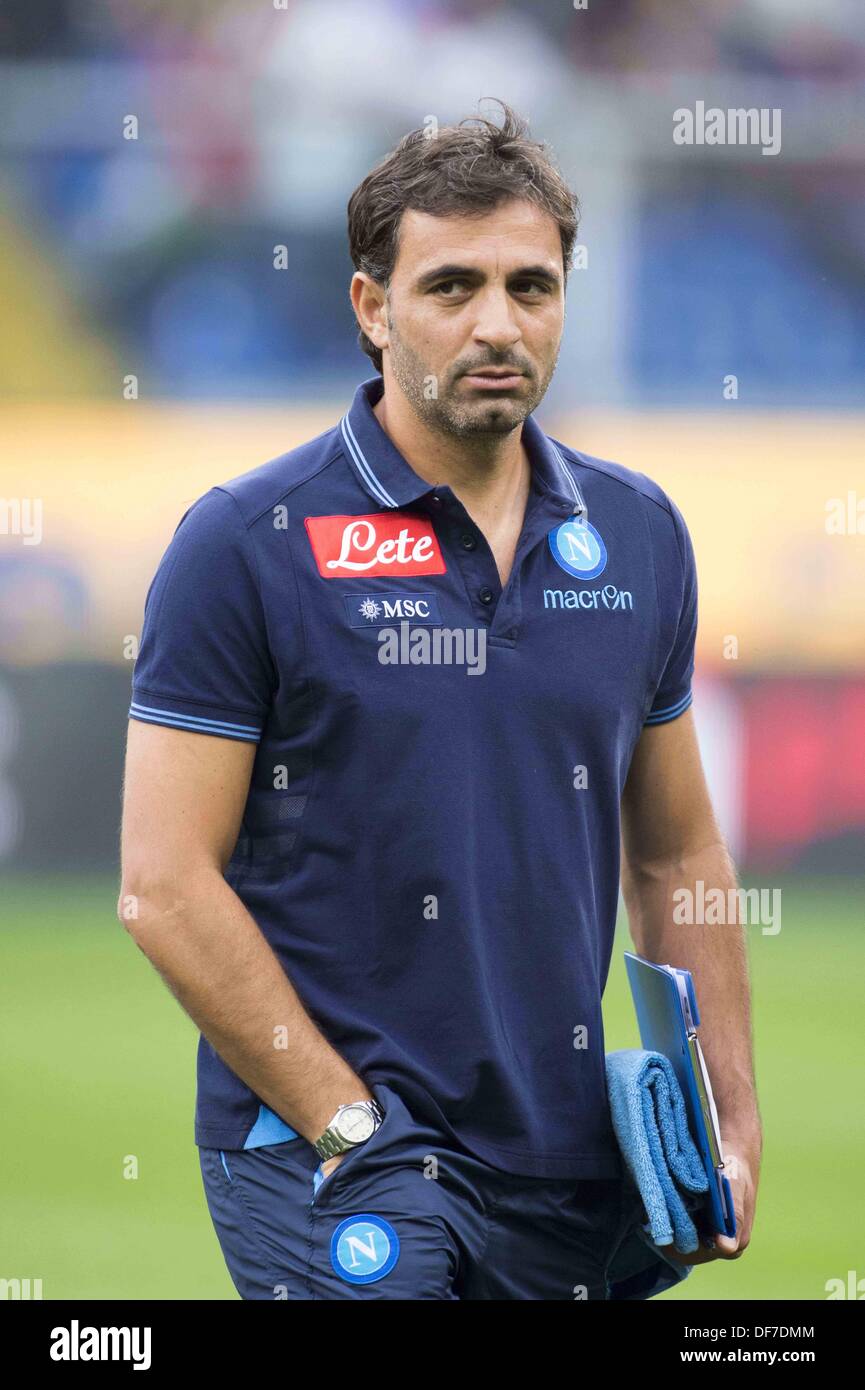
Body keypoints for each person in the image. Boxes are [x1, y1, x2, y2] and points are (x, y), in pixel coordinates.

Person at [117, 101, 761, 1299]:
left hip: (568, 1158)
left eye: (531, 286)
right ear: (372, 309)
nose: (496, 324)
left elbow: (676, 857)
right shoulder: (247, 542)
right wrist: (347, 1125)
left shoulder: (639, 535)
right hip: (327, 1155)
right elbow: (162, 885)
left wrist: (727, 1112)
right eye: (451, 286)